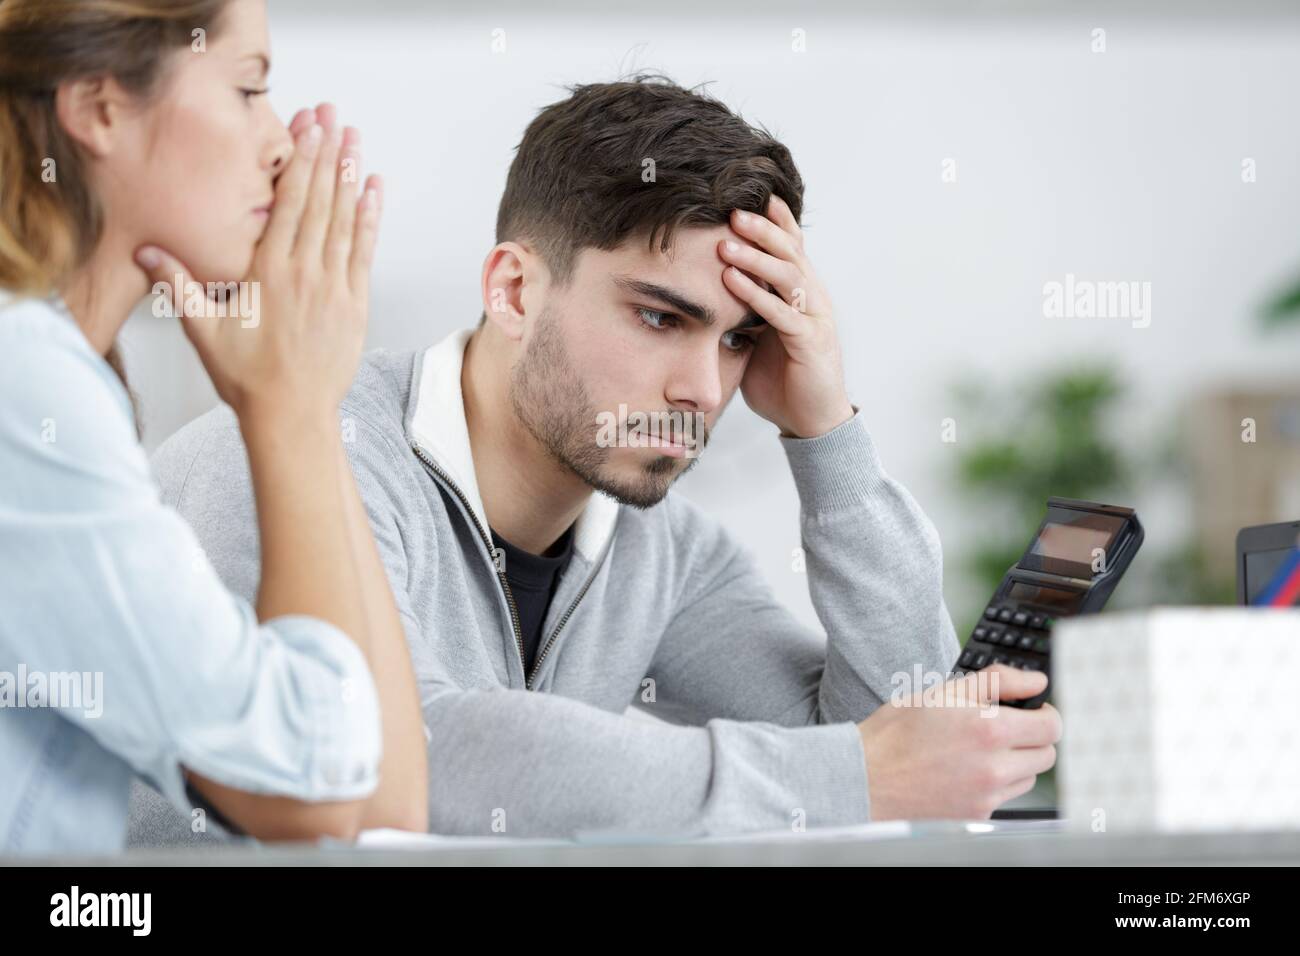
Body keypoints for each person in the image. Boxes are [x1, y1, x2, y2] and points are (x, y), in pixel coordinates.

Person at [132, 75, 1060, 842]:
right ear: (514, 290)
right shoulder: (290, 452)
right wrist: (862, 771)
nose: (703, 388)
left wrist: (826, 433)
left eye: (740, 341)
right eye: (662, 318)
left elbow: (889, 750)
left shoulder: (660, 551)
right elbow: (413, 749)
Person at [0, 0, 426, 855]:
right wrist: (291, 414)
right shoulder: (25, 379)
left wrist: (299, 396)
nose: (280, 143)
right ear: (99, 107)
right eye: (248, 87)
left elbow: (379, 806)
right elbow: (312, 795)